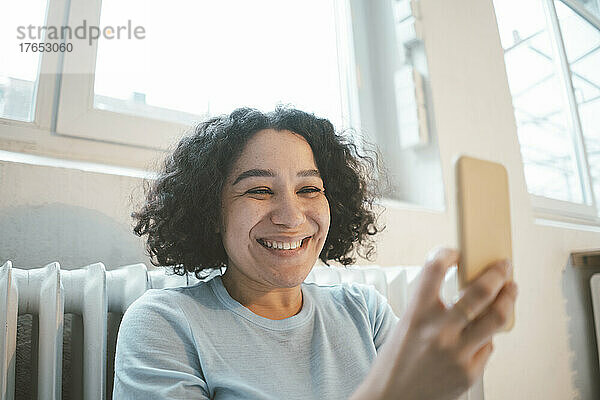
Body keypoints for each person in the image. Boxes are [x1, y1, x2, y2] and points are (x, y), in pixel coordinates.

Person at [113, 107, 518, 399]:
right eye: (259, 190)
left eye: (309, 189)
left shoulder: (365, 311)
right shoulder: (162, 323)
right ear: (211, 213)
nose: (291, 217)